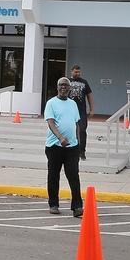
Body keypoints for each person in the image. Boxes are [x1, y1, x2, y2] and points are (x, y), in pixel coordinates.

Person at [44, 77, 83, 217]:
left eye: (66, 85)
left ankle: (77, 206)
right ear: (57, 87)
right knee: (53, 176)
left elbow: (77, 124)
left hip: (72, 148)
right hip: (54, 146)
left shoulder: (73, 104)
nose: (63, 87)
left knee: (73, 176)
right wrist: (60, 137)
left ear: (70, 88)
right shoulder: (51, 103)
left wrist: (78, 144)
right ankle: (53, 204)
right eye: (61, 85)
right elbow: (51, 123)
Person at [68, 64, 93, 160]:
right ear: (71, 71)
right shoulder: (67, 81)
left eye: (79, 72)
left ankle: (82, 152)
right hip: (69, 111)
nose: (77, 73)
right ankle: (71, 151)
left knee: (82, 130)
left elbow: (90, 96)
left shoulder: (84, 82)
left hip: (81, 111)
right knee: (70, 130)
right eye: (75, 72)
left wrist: (92, 109)